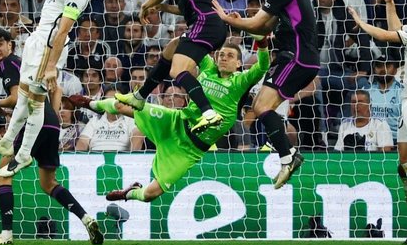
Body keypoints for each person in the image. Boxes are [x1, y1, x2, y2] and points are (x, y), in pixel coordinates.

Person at [70, 38, 270, 201]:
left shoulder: (241, 81)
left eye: (230, 56)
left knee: (150, 194)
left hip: (188, 150)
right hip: (175, 121)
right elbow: (189, 47)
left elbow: (263, 65)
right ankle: (91, 104)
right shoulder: (208, 68)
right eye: (222, 54)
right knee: (124, 106)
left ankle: (129, 193)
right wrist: (184, 38)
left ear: (238, 63)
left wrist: (261, 40)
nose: (224, 58)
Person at [0, 0, 99, 177]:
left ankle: (24, 153)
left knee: (36, 102)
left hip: (49, 46)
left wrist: (50, 66)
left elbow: (64, 30)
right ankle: (7, 141)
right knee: (24, 94)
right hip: (38, 40)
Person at [0, 28, 103, 245]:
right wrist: (53, 117)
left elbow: (17, 97)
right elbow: (57, 89)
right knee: (48, 183)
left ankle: (6, 234)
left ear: (11, 45)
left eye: (0, 43)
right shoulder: (23, 64)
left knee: (3, 174)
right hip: (50, 124)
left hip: (34, 125)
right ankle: (86, 218)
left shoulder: (10, 64)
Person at [212, 0, 320, 189]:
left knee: (261, 107)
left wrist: (224, 18)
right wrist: (240, 20)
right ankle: (288, 156)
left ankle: (288, 156)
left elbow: (254, 24)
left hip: (295, 57)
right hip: (299, 58)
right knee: (261, 106)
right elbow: (261, 29)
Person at [115, 0, 227, 134]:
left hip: (206, 24)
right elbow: (184, 9)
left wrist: (143, 7)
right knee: (170, 50)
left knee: (178, 70)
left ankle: (208, 112)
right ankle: (140, 97)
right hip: (205, 25)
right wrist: (163, 8)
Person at [348, 0, 407, 244]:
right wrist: (390, 3)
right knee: (405, 162)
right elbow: (395, 29)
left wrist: (361, 21)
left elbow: (384, 35)